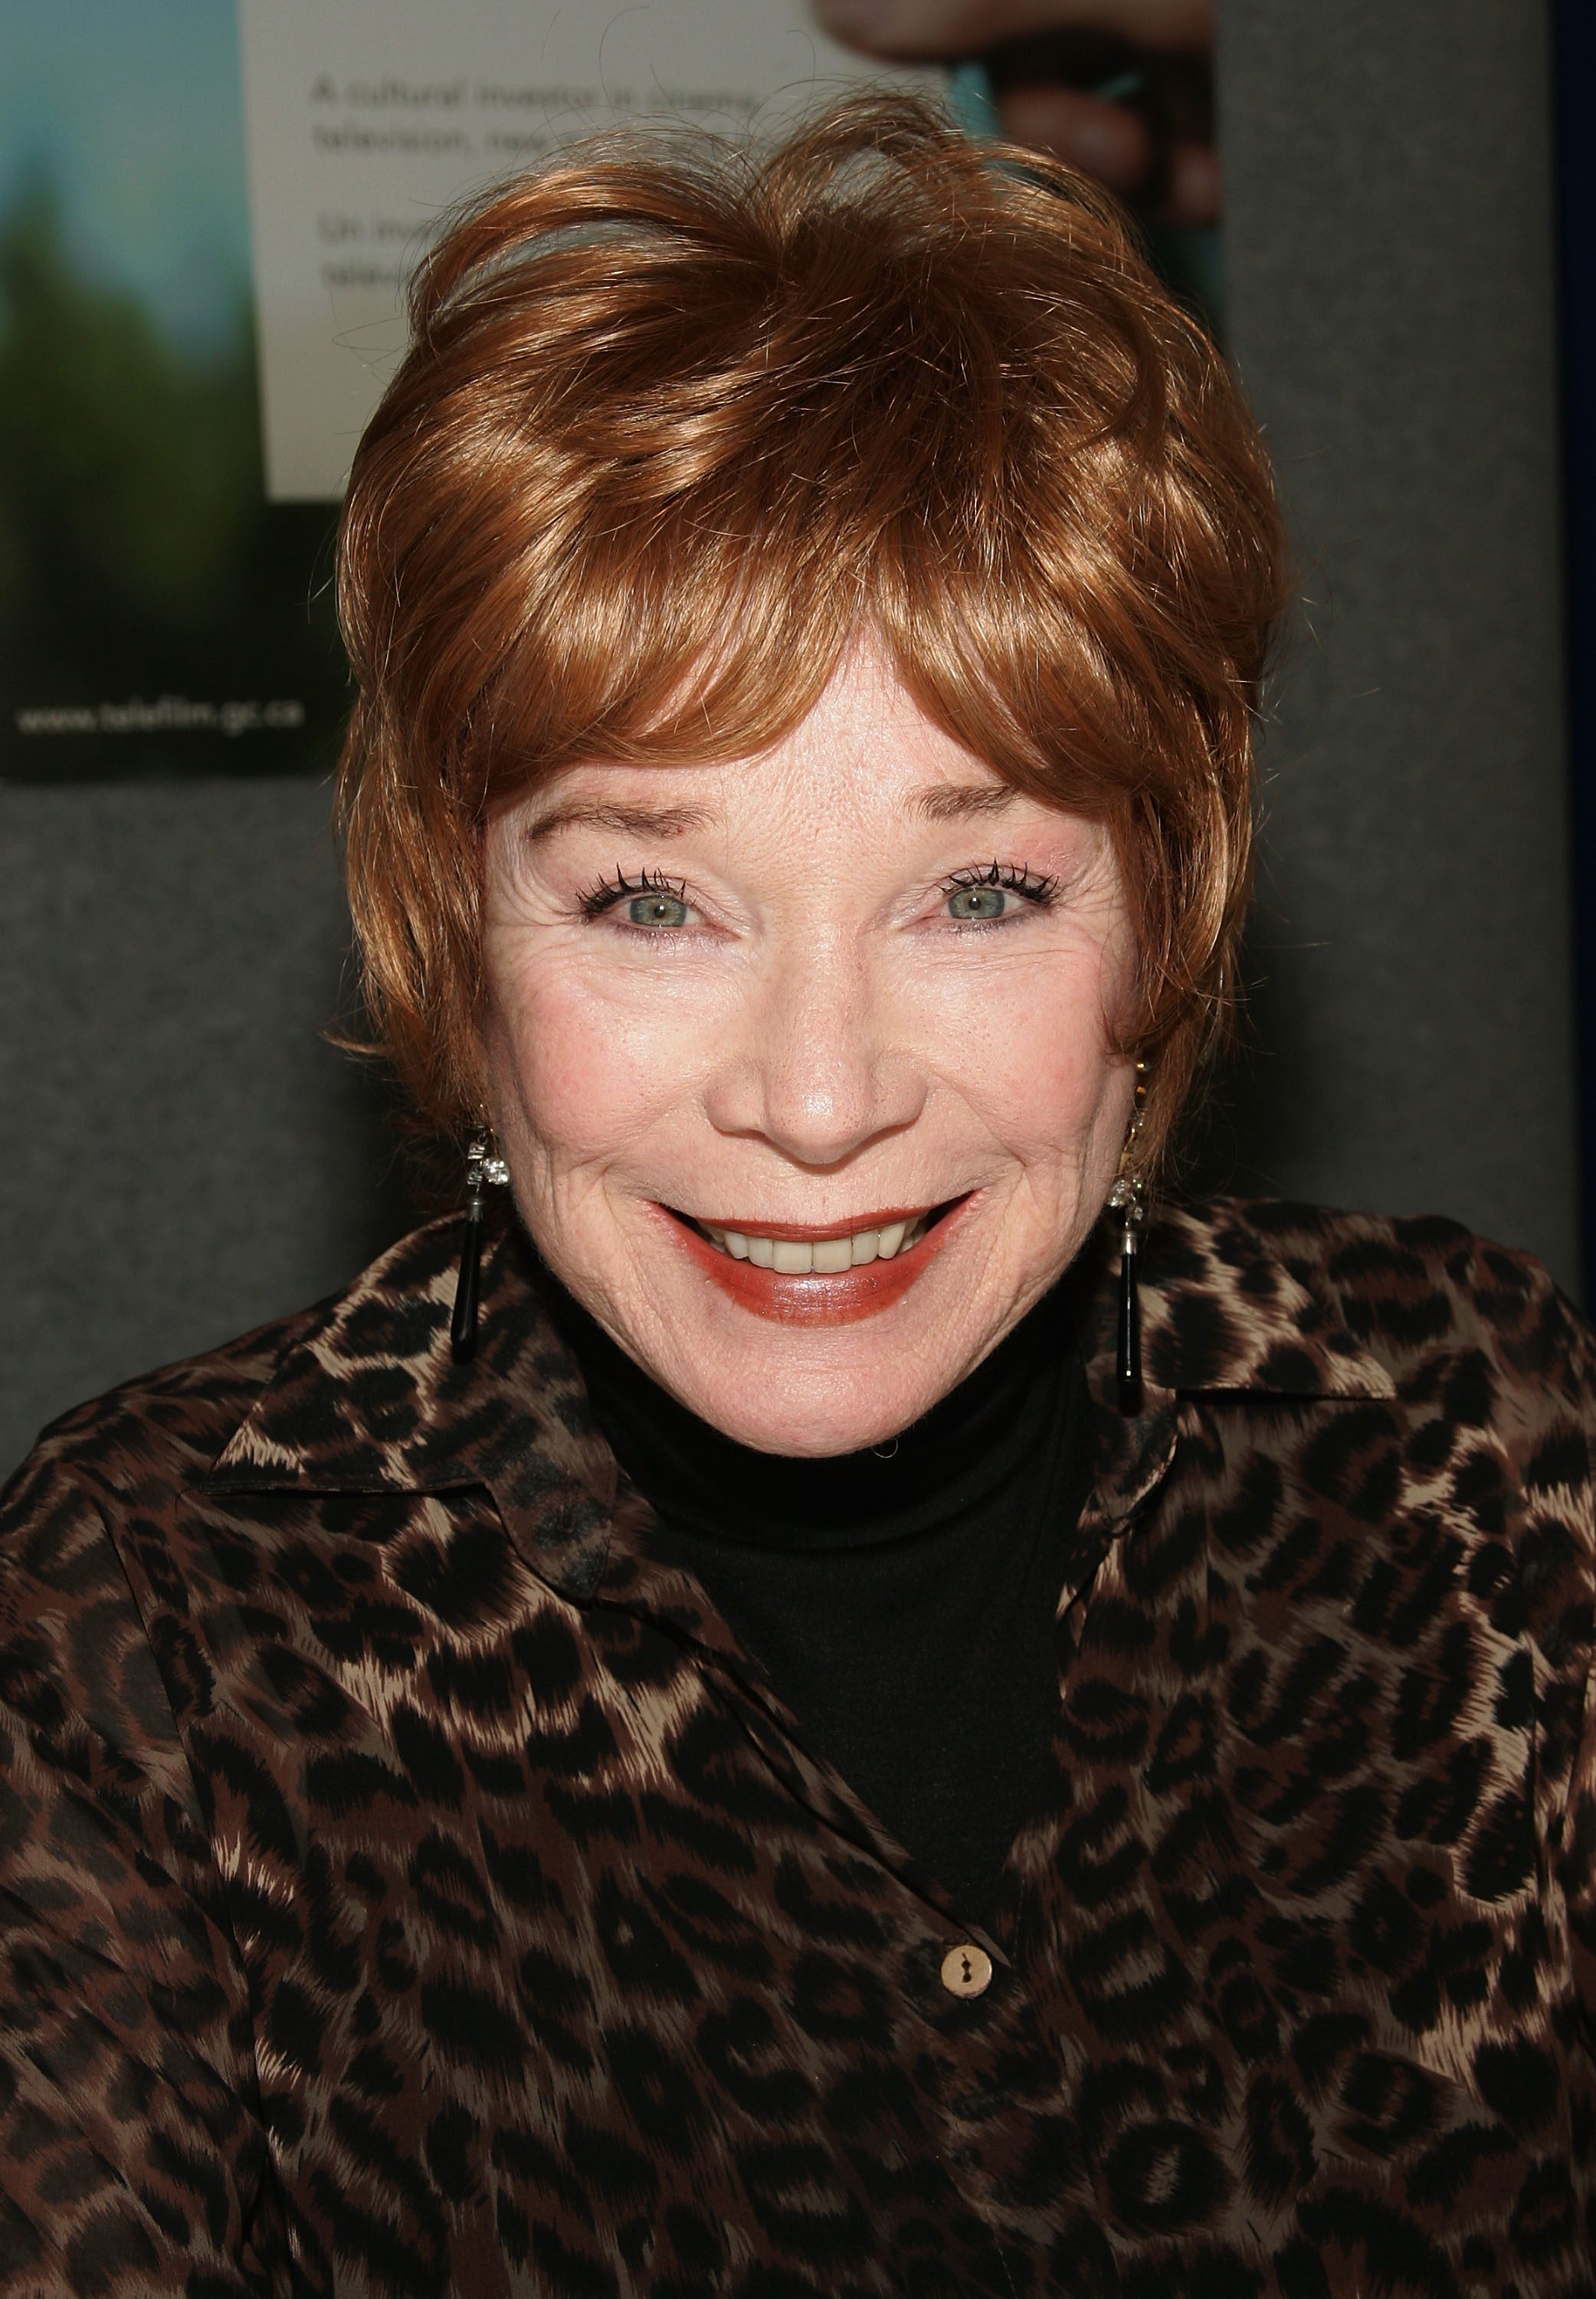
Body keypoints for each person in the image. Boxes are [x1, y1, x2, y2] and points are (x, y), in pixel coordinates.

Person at [0, 93, 1591, 2299]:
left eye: (980, 889)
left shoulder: (1483, 1453)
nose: (821, 1099)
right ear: (451, 934)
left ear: (1164, 929)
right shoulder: (147, 1636)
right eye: (653, 900)